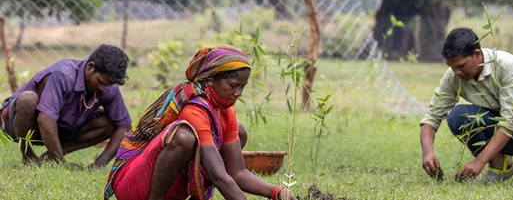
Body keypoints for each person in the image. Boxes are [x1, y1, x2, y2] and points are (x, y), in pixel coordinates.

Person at [104, 45, 297, 200]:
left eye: (242, 87)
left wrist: (277, 192)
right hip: (135, 187)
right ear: (209, 80)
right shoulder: (194, 109)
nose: (238, 93)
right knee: (184, 136)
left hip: (172, 189)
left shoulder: (225, 111)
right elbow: (217, 175)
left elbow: (237, 172)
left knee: (239, 131)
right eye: (233, 86)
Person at [420, 28, 513, 187]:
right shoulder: (453, 76)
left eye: (461, 65)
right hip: (504, 137)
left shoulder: (506, 64)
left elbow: (509, 122)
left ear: (477, 54)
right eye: (452, 67)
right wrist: (428, 152)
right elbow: (431, 117)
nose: (456, 72)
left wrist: (479, 162)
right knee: (457, 116)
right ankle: (500, 168)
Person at [0, 44, 132, 168]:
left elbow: (124, 126)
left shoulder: (109, 87)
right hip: (18, 123)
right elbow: (45, 119)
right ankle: (28, 156)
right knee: (28, 100)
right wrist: (61, 164)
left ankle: (50, 157)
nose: (103, 88)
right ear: (90, 67)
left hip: (61, 128)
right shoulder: (64, 74)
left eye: (108, 85)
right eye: (100, 82)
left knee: (109, 123)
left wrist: (99, 165)